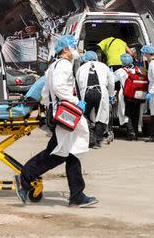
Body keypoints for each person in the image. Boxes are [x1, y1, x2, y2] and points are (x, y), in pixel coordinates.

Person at [14, 35, 98, 208]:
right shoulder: (65, 65)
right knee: (58, 154)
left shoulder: (52, 67)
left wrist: (51, 107)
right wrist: (75, 103)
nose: (76, 49)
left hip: (60, 112)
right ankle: (25, 178)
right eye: (73, 46)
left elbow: (45, 92)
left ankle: (76, 195)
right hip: (67, 113)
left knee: (71, 151)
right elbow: (59, 88)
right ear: (65, 49)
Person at [76, 51, 114, 148]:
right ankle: (97, 140)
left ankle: (90, 139)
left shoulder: (81, 68)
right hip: (101, 93)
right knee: (101, 116)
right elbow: (111, 81)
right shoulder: (104, 66)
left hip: (86, 93)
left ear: (85, 58)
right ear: (96, 57)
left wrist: (79, 99)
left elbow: (77, 84)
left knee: (85, 116)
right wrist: (111, 95)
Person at [113, 52, 142, 141]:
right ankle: (136, 133)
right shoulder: (138, 69)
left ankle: (130, 133)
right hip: (137, 95)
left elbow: (111, 81)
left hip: (126, 95)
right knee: (136, 114)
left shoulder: (120, 71)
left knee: (126, 114)